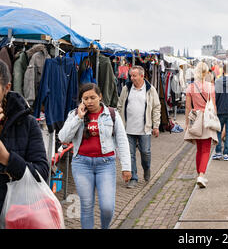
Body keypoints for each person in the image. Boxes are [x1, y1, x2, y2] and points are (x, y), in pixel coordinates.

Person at [58, 83, 132, 229]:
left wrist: (126, 167)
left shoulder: (112, 114)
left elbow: (122, 141)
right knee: (86, 206)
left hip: (106, 164)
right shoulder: (74, 114)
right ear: (81, 100)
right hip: (81, 164)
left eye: (93, 97)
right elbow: (63, 137)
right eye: (85, 98)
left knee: (107, 207)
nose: (89, 101)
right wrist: (79, 118)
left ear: (100, 96)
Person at [0, 60, 49, 211]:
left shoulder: (27, 123)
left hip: (15, 212)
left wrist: (7, 159)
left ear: (6, 88)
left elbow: (42, 173)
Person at [117, 65, 161, 189]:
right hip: (128, 129)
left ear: (142, 76)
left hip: (144, 129)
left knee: (145, 152)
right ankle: (133, 178)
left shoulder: (150, 89)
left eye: (134, 75)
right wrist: (120, 123)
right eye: (131, 75)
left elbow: (156, 107)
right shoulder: (127, 88)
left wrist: (156, 125)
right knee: (129, 154)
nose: (132, 78)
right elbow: (120, 105)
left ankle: (146, 169)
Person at [184, 62, 218, 188]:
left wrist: (187, 123)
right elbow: (213, 106)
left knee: (199, 149)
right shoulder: (210, 87)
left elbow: (188, 107)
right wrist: (216, 118)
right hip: (207, 118)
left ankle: (200, 174)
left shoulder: (190, 87)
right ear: (207, 72)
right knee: (206, 149)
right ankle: (201, 175)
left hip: (196, 117)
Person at [212, 63, 228, 161]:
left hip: (220, 109)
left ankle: (218, 152)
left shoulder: (218, 81)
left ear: (223, 70)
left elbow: (216, 96)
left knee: (218, 132)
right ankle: (226, 153)